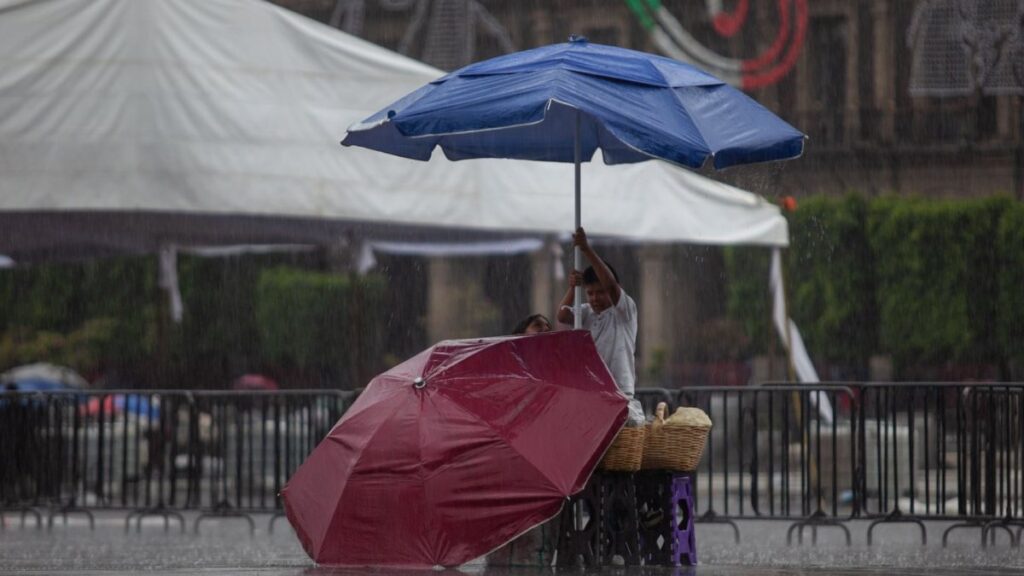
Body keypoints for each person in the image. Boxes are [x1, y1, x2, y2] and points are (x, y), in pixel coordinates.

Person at [556, 227, 645, 425]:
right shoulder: (586, 312)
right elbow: (562, 315)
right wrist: (572, 288)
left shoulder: (625, 311)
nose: (595, 298)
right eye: (590, 293)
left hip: (619, 393)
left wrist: (586, 249)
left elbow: (612, 286)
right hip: (591, 393)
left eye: (600, 292)